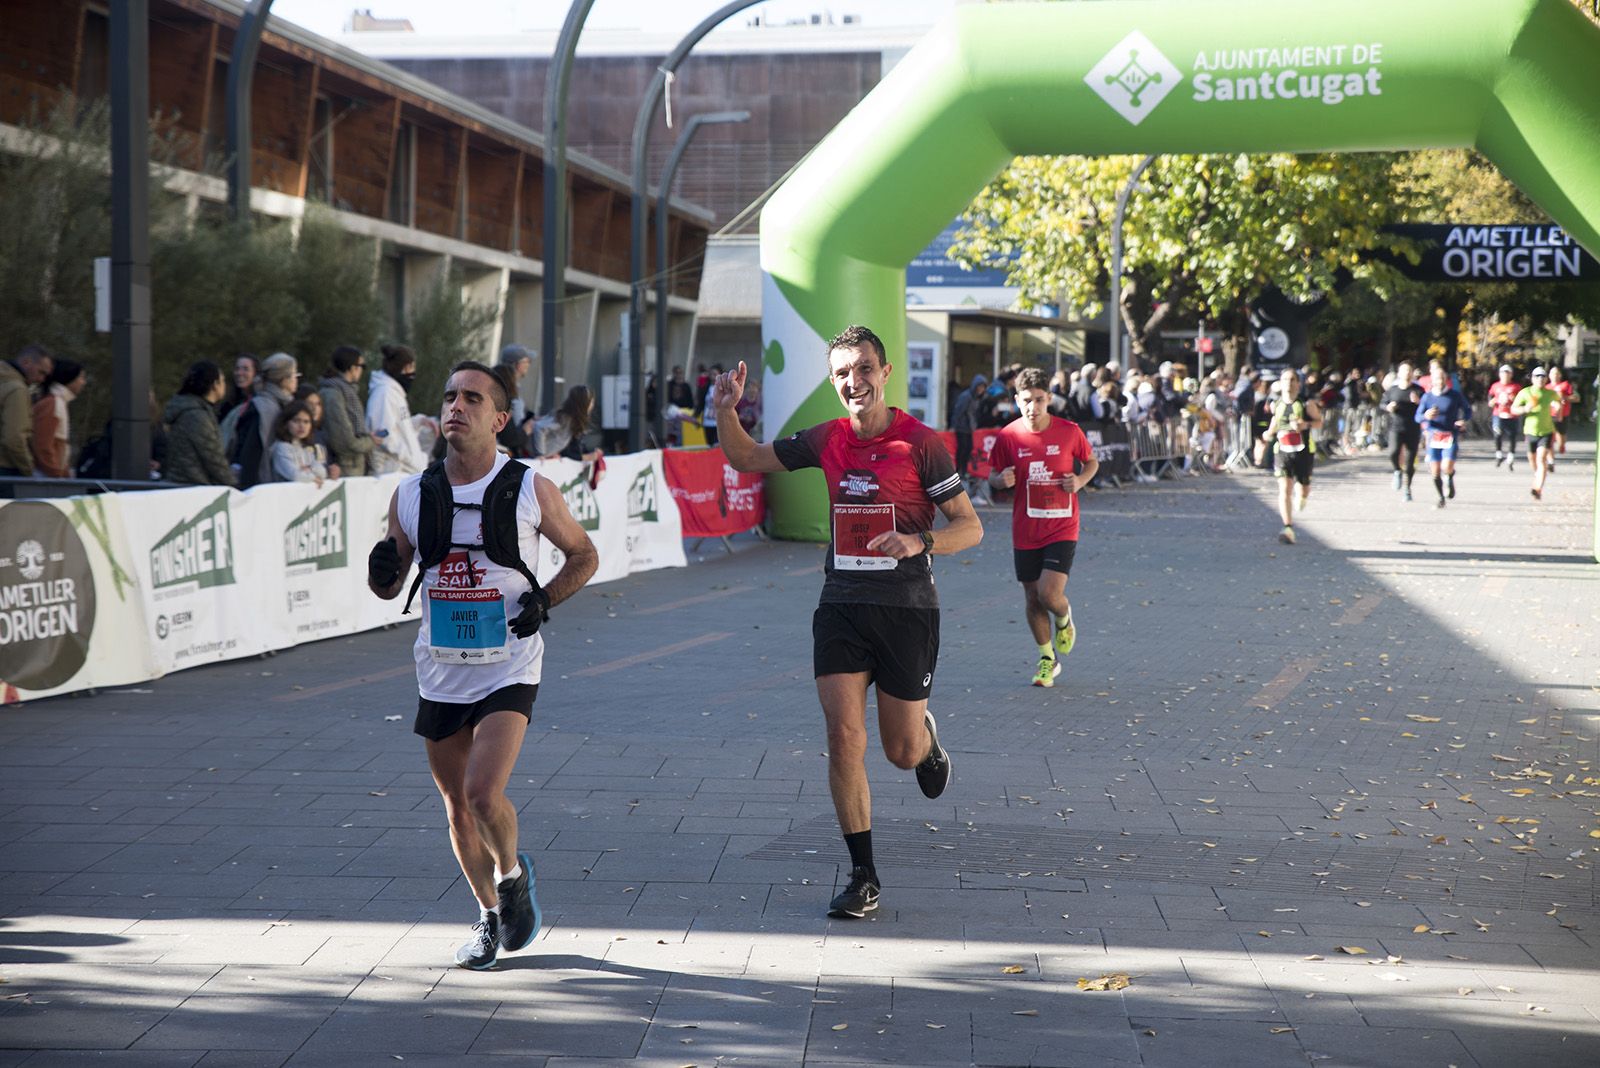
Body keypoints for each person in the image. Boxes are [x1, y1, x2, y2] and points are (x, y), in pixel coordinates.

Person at [710, 324, 983, 919]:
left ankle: (927, 739)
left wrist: (919, 540)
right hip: (841, 605)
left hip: (907, 610)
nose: (853, 382)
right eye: (841, 373)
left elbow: (972, 524)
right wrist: (726, 412)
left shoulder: (921, 444)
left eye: (863, 369)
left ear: (885, 373)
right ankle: (863, 874)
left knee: (900, 752)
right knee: (842, 738)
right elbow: (746, 456)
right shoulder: (826, 439)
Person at [367, 360, 598, 969]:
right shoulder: (412, 494)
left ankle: (513, 874)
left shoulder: (529, 488)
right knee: (455, 808)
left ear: (498, 418)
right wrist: (380, 572)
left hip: (508, 664)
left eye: (471, 398)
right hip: (441, 666)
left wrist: (545, 599)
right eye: (448, 397)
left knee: (481, 791)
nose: (455, 407)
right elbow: (389, 588)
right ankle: (491, 916)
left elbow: (584, 554)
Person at [985, 368, 1098, 688]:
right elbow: (993, 476)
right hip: (1025, 528)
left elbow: (1092, 463)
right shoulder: (1008, 436)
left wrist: (1078, 481)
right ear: (1016, 401)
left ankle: (1064, 618)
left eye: (1038, 400)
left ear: (1048, 398)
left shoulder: (1069, 431)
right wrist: (999, 480)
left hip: (1062, 525)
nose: (1032, 407)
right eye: (1026, 401)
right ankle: (1048, 658)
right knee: (1033, 597)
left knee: (1050, 593)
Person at [1261, 369, 1322, 544]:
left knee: (1303, 488)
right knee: (1284, 489)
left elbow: (1319, 422)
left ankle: (1302, 495)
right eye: (1285, 379)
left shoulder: (1306, 404)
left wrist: (1305, 424)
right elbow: (1275, 423)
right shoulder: (1276, 404)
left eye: (1292, 379)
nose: (1288, 383)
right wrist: (1268, 434)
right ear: (1280, 383)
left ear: (1298, 383)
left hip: (1303, 451)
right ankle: (1288, 527)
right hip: (1282, 451)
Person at [163, 360, 237, 487]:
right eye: (223, 381)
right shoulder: (197, 416)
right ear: (215, 384)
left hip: (186, 484)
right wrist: (234, 486)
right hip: (193, 487)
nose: (225, 385)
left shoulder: (192, 410)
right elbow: (213, 457)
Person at [235, 352, 300, 488]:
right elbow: (251, 454)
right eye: (294, 375)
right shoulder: (262, 407)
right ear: (283, 379)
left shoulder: (285, 405)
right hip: (260, 487)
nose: (296, 379)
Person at [1416, 359, 1472, 508]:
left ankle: (1450, 477)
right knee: (1435, 471)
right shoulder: (1427, 397)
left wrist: (1463, 420)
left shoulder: (1454, 395)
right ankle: (1441, 497)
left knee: (1446, 466)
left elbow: (1467, 410)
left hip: (1449, 433)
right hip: (1433, 434)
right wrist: (1426, 415)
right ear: (1432, 381)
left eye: (1441, 378)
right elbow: (1417, 416)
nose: (1439, 381)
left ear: (1446, 380)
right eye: (1436, 379)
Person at [368, 344, 429, 475]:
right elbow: (383, 434)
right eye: (412, 367)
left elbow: (398, 427)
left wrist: (417, 422)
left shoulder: (394, 393)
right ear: (406, 367)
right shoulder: (384, 394)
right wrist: (410, 458)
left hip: (402, 471)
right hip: (391, 473)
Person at [319, 346, 376, 477]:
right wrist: (371, 441)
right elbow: (344, 440)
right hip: (345, 468)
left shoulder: (347, 391)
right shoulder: (333, 394)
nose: (362, 370)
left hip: (354, 466)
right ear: (352, 368)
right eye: (362, 365)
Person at [0, 344, 53, 477]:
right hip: (6, 469)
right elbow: (14, 438)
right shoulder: (17, 390)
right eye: (41, 372)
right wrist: (29, 470)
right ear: (26, 362)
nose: (41, 379)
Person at [1511, 367, 1562, 500]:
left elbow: (1559, 401)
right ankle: (1537, 477)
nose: (1540, 379)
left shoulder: (1550, 393)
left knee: (1541, 459)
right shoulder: (1525, 392)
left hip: (1546, 431)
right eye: (1537, 376)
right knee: (1533, 460)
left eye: (1543, 376)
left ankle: (1538, 488)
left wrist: (1558, 410)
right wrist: (1525, 408)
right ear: (1532, 378)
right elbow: (1514, 409)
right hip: (1530, 431)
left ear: (1546, 379)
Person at [32, 359, 87, 478]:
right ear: (69, 378)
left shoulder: (58, 402)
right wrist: (56, 473)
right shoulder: (53, 403)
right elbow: (43, 444)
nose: (83, 382)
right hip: (45, 477)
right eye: (81, 377)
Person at [1383, 362, 1425, 501]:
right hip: (1396, 427)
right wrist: (1388, 407)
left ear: (1412, 373)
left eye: (1409, 371)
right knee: (1393, 452)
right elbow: (1382, 403)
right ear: (1399, 374)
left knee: (1410, 461)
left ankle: (1408, 488)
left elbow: (1426, 405)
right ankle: (1397, 471)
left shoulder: (1418, 389)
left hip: (1413, 428)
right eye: (1404, 371)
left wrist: (1418, 402)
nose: (1407, 373)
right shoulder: (1393, 389)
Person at [949, 374, 988, 504]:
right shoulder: (966, 397)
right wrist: (954, 426)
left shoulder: (976, 398)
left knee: (968, 448)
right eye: (980, 387)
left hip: (969, 428)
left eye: (983, 387)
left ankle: (964, 471)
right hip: (962, 427)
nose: (981, 389)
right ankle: (960, 471)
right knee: (963, 448)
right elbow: (958, 411)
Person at [270, 400, 330, 485]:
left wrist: (310, 469)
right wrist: (311, 475)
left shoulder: (306, 448)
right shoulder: (281, 448)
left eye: (306, 422)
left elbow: (322, 472)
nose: (302, 426)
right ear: (286, 424)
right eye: (296, 421)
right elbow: (295, 475)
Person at [1547, 365, 1577, 468]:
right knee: (1549, 437)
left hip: (1563, 414)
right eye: (1552, 373)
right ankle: (1551, 460)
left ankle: (1562, 445)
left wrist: (1565, 397)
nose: (1554, 375)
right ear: (1549, 375)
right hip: (1549, 415)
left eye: (1556, 373)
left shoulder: (1566, 385)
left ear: (1560, 375)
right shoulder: (1546, 388)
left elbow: (1576, 398)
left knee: (1562, 434)